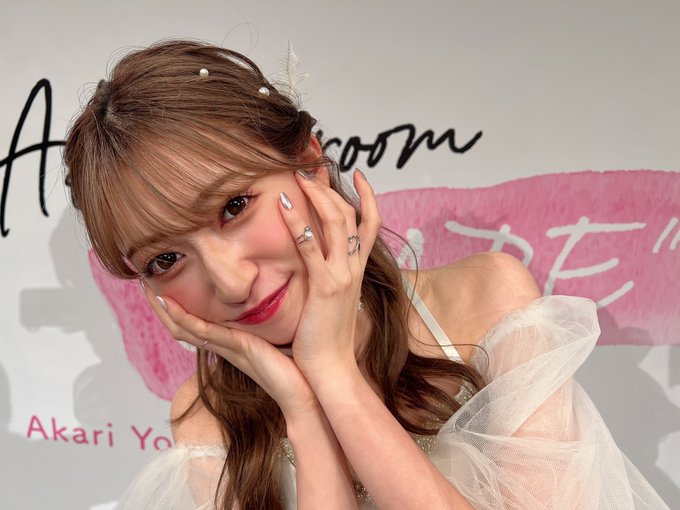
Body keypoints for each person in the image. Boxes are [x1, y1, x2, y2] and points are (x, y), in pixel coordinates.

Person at [63, 40, 668, 509]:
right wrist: (303, 409)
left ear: (309, 163)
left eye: (234, 206)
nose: (230, 282)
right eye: (166, 260)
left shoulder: (486, 301)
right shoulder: (207, 417)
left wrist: (333, 372)